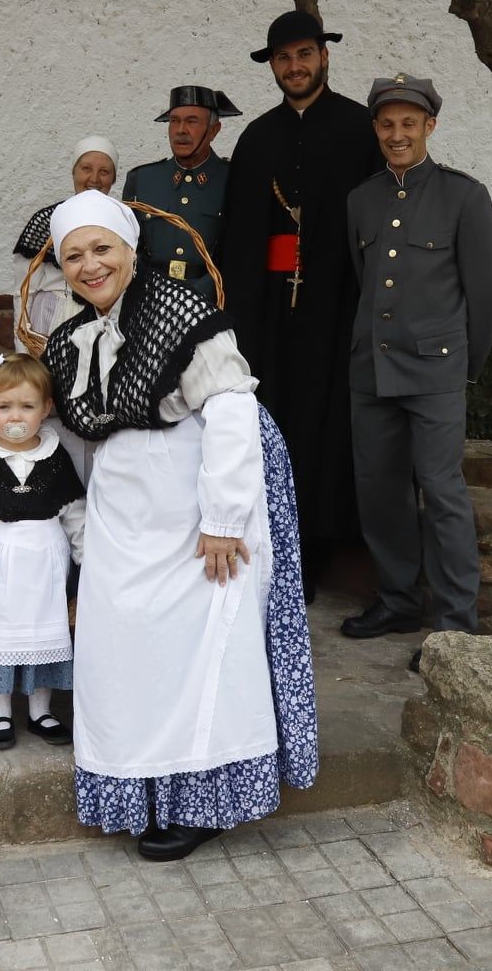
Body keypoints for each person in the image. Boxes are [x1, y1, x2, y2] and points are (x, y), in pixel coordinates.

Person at [41, 190, 317, 862]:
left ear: (131, 251)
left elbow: (228, 408)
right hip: (126, 506)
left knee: (206, 647)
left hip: (200, 493)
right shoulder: (68, 340)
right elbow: (73, 437)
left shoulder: (182, 310)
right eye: (74, 255)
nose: (89, 265)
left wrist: (225, 519)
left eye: (102, 248)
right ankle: (141, 790)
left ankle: (205, 801)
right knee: (124, 647)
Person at [341, 75, 492, 673]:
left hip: (436, 370)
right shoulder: (362, 199)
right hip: (373, 368)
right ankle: (397, 601)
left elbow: (487, 294)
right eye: (387, 125)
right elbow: (365, 287)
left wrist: (465, 365)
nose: (397, 134)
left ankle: (456, 625)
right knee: (379, 490)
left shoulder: (464, 196)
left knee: (441, 493)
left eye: (409, 124)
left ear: (429, 127)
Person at [221, 10, 384, 601]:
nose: (295, 67)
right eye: (284, 59)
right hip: (269, 315)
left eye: (304, 55)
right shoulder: (257, 137)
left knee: (328, 425)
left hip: (337, 308)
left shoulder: (358, 128)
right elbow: (240, 237)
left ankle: (319, 549)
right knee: (276, 421)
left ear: (324, 57)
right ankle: (272, 547)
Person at [0, 353, 86, 750]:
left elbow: (74, 512)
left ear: (46, 409)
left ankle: (40, 711)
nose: (16, 416)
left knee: (42, 634)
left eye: (27, 407)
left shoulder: (54, 456)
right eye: (4, 407)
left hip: (46, 557)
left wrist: (88, 560)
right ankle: (0, 713)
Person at [122, 86, 239, 300]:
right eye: (174, 121)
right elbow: (129, 248)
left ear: (214, 130)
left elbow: (240, 251)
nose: (180, 130)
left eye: (192, 121)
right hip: (151, 300)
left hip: (212, 303)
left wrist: (200, 293)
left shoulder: (235, 180)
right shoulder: (142, 180)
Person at [12, 136, 118, 353]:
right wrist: (22, 346)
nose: (94, 179)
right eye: (86, 168)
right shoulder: (47, 220)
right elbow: (24, 290)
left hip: (106, 320)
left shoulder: (122, 222)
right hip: (51, 317)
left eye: (104, 171)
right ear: (73, 172)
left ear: (114, 178)